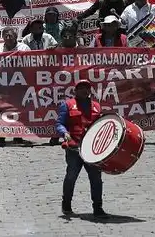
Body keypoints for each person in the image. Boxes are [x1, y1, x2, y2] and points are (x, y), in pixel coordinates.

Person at [56, 79, 107, 218]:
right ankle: (66, 204)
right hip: (74, 148)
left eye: (87, 88)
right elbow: (59, 123)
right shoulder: (67, 105)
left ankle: (98, 208)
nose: (85, 90)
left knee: (96, 178)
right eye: (81, 88)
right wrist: (65, 133)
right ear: (75, 91)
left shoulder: (96, 106)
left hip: (92, 150)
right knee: (71, 177)